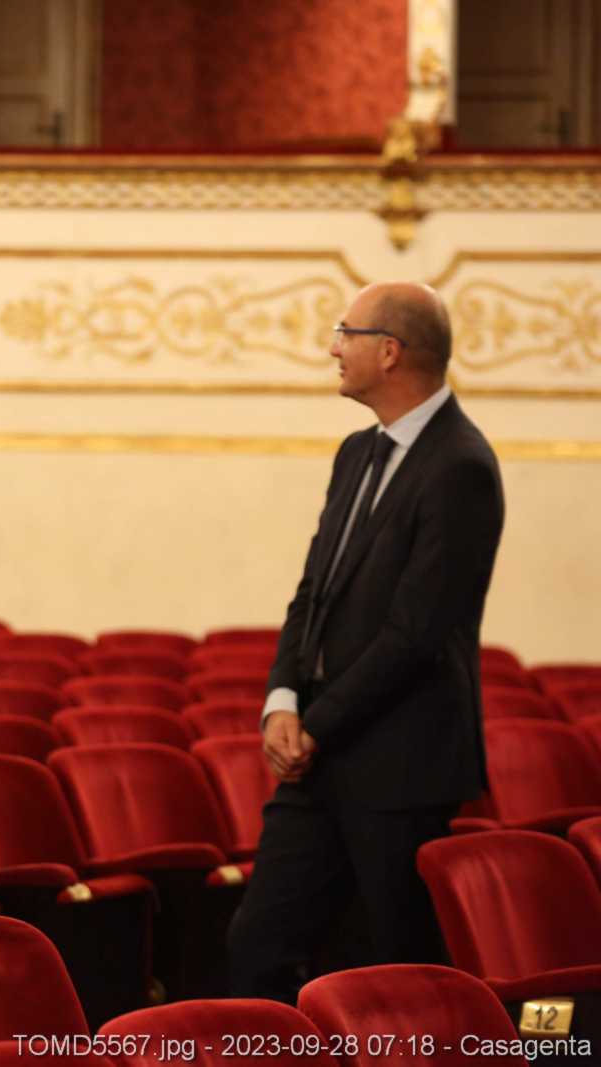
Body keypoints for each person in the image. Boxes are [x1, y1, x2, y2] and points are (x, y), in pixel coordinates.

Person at [227, 282, 504, 1002]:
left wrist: (315, 725)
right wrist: (282, 699)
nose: (332, 348)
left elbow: (417, 635)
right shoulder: (357, 453)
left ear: (388, 351)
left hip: (401, 763)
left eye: (344, 333)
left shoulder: (461, 465)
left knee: (396, 973)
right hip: (320, 760)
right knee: (256, 948)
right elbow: (311, 593)